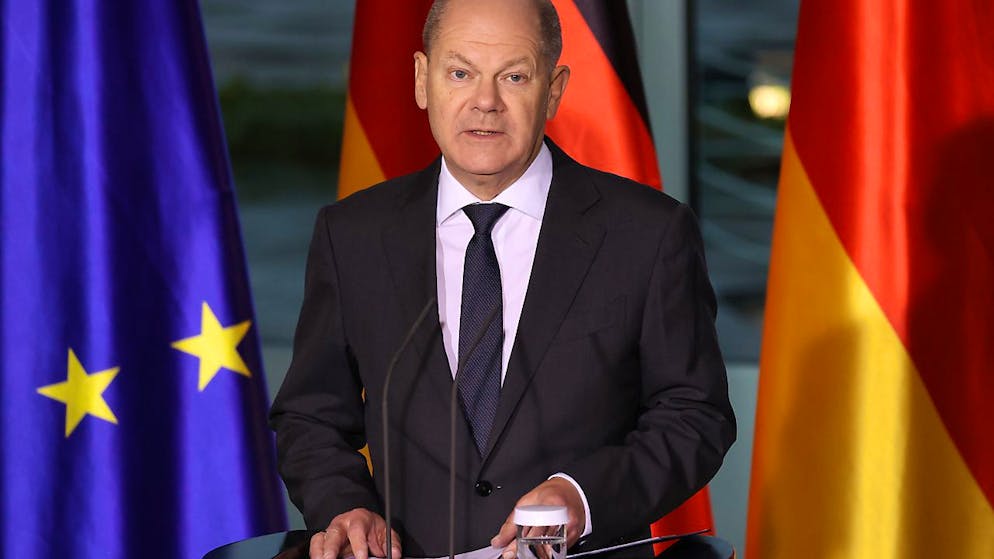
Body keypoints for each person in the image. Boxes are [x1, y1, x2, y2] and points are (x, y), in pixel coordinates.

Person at [269, 0, 736, 558]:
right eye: (460, 73)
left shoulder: (647, 233)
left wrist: (584, 497)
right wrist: (345, 504)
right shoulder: (354, 235)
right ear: (422, 80)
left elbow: (695, 415)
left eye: (514, 76)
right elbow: (311, 415)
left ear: (554, 88)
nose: (485, 102)